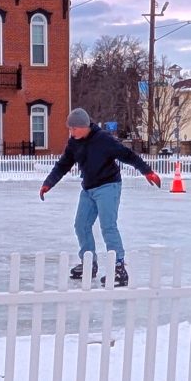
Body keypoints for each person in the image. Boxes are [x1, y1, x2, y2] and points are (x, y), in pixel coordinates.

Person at [39, 108, 163, 287]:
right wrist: (48, 183)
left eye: (74, 129)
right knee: (81, 225)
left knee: (108, 227)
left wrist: (147, 172)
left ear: (84, 126)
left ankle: (119, 268)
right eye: (70, 129)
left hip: (108, 186)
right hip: (88, 189)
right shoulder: (74, 143)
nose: (71, 132)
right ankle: (89, 263)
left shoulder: (104, 140)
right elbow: (63, 164)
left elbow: (128, 155)